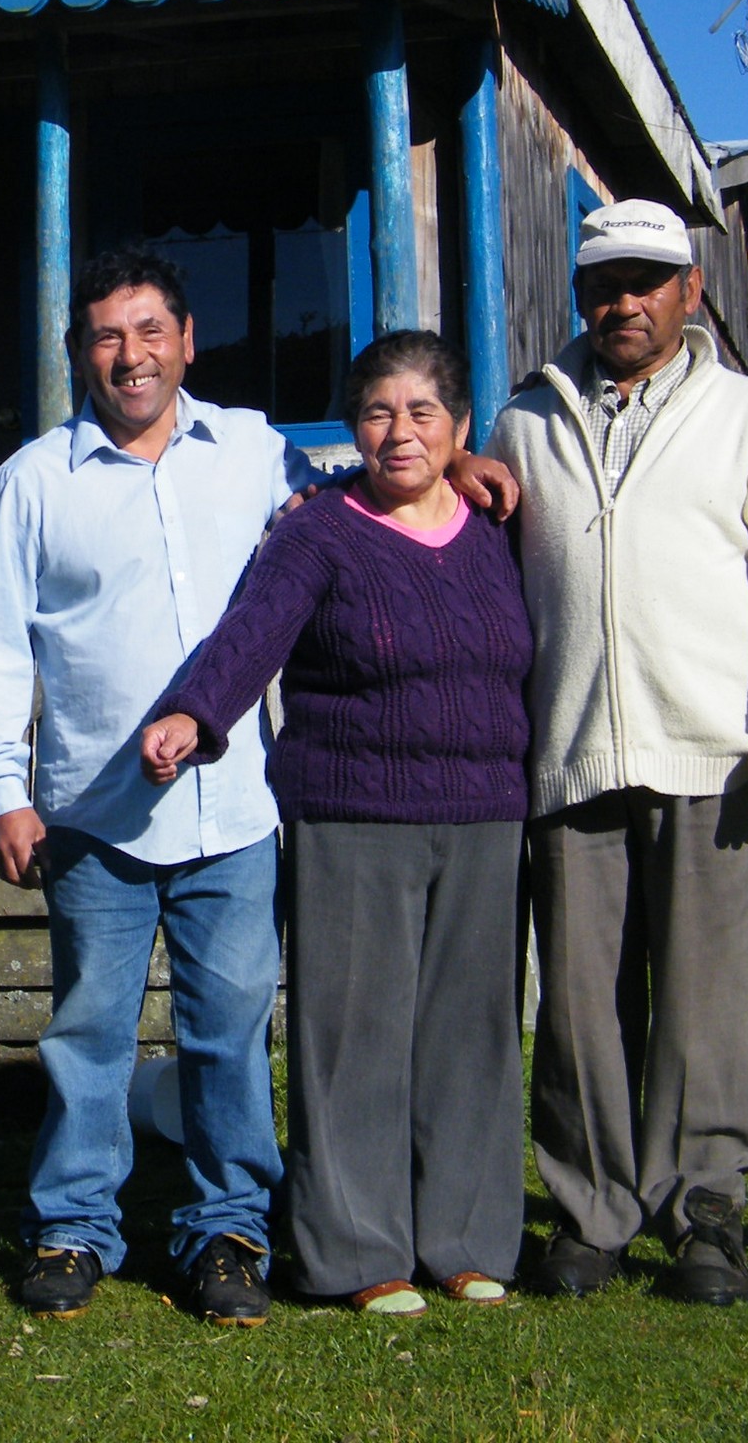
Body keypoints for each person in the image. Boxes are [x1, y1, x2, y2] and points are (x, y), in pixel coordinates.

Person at [0, 246, 508, 1326]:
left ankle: (228, 1231)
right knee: (90, 1032)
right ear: (81, 353)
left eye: (151, 330)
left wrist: (458, 466)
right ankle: (72, 1229)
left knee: (230, 1029)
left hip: (234, 813)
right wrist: (0, 791)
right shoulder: (34, 482)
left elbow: (362, 500)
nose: (132, 354)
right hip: (93, 814)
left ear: (187, 341)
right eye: (108, 335)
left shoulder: (251, 450)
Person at [484, 197, 748, 1306]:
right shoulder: (522, 423)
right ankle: (591, 1216)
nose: (623, 301)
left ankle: (705, 1216)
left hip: (712, 758)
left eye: (647, 280)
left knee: (706, 1002)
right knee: (580, 1010)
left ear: (689, 290)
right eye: (603, 282)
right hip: (572, 753)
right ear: (578, 293)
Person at [142, 331, 532, 1317]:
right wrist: (195, 710)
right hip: (355, 815)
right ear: (353, 427)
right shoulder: (320, 530)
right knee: (352, 1036)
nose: (399, 432)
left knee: (470, 1036)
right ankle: (358, 1251)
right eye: (377, 412)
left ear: (455, 428)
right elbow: (254, 630)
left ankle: (467, 1240)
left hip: (485, 815)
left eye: (422, 413)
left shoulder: (494, 529)